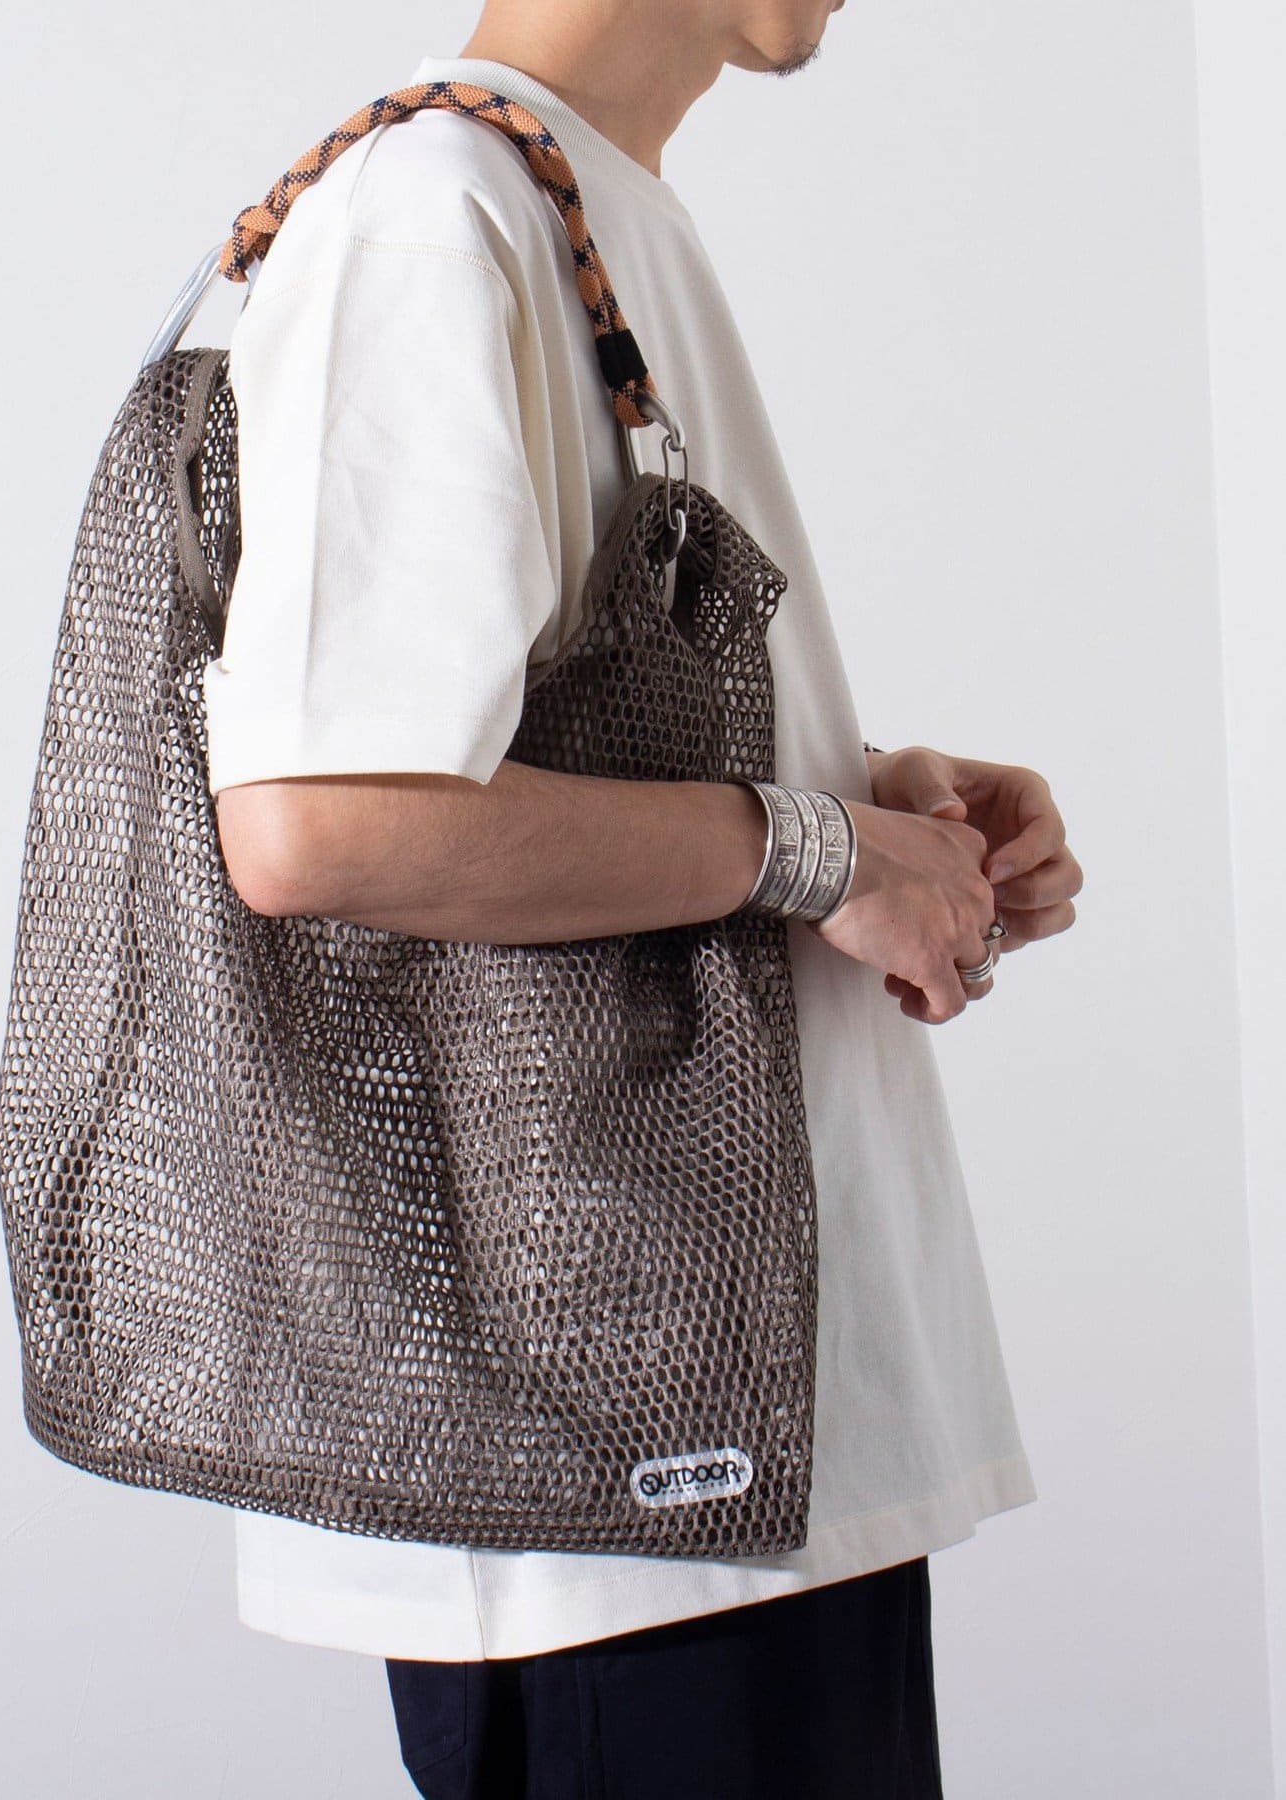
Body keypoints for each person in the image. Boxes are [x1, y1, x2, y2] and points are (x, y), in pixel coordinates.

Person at [200, 1, 1084, 1793]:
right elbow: (323, 820)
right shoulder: (430, 211)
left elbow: (549, 735)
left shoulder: (574, 198)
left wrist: (861, 796)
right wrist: (823, 853)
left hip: (731, 1442)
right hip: (614, 1486)